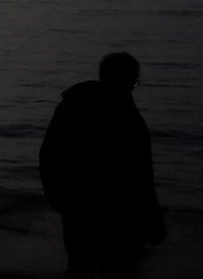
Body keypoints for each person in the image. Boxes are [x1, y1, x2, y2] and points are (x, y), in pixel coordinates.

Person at [39, 52, 166, 279]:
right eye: (134, 82)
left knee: (80, 267)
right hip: (118, 214)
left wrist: (56, 195)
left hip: (76, 206)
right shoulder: (128, 118)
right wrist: (153, 220)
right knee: (120, 268)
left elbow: (49, 154)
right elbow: (141, 175)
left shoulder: (72, 104)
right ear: (127, 80)